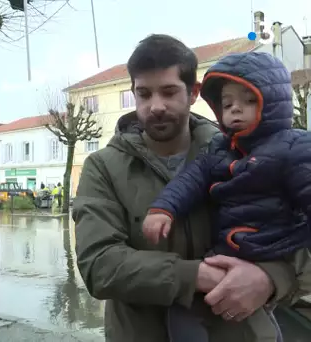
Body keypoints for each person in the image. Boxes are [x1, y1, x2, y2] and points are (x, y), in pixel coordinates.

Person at [73, 34, 307, 342]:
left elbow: (299, 239)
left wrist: (271, 278)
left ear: (194, 92)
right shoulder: (102, 167)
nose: (156, 106)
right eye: (143, 94)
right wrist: (196, 276)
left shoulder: (249, 153)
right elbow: (99, 265)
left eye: (169, 92)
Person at [141, 51, 311, 341]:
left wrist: (276, 273)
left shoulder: (294, 147)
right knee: (185, 310)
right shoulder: (218, 148)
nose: (234, 110)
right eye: (227, 103)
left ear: (273, 103)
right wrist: (163, 208)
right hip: (226, 250)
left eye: (248, 101)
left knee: (261, 317)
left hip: (270, 248)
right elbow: (190, 180)